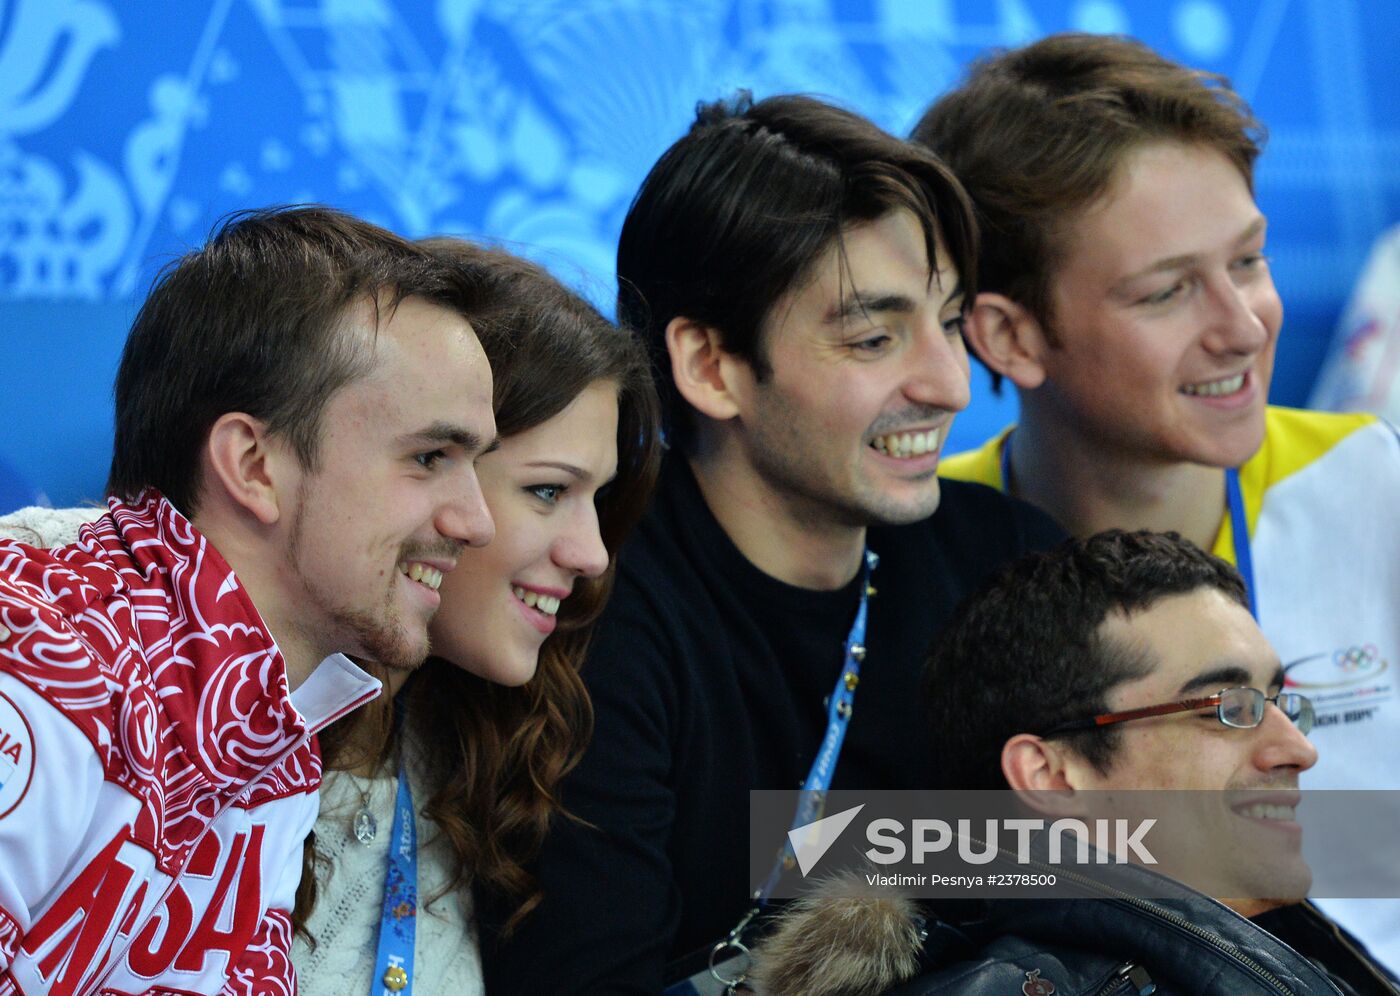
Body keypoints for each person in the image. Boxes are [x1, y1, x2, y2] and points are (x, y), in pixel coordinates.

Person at [479, 92, 1065, 993]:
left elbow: (1153, 854)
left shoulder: (1010, 562)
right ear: (711, 367)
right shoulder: (587, 603)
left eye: (948, 324)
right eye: (874, 338)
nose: (951, 384)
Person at [915, 33, 1400, 964]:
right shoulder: (920, 551)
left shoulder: (1369, 481)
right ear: (1009, 336)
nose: (1242, 325)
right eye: (1168, 291)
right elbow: (832, 861)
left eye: (1249, 261)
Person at [0, 207, 498, 995]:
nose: (477, 522)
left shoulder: (272, 718)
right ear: (253, 465)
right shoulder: (41, 660)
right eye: (430, 456)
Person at [750, 531, 1399, 996]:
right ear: (1050, 776)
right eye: (1225, 707)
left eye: (1280, 702)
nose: (1298, 749)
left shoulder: (1288, 949)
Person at [289, 239, 661, 994]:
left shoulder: (474, 738)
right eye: (549, 491)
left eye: (598, 499)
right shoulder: (149, 726)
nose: (592, 555)